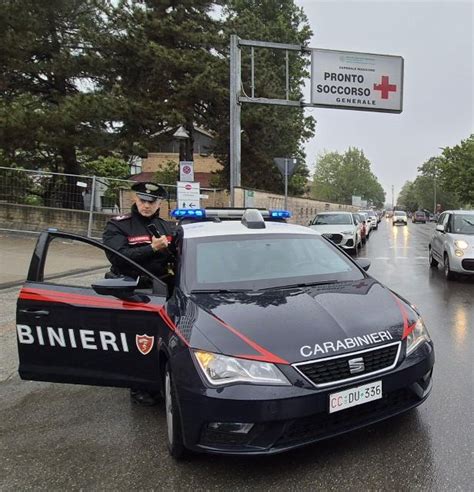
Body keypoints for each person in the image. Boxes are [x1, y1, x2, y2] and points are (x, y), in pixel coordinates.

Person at [103, 181, 175, 406]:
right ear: (135, 199)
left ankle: (160, 382)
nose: (146, 205)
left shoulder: (166, 227)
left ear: (159, 203)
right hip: (133, 292)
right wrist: (152, 248)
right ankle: (139, 386)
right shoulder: (119, 226)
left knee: (161, 340)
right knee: (138, 341)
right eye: (142, 200)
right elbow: (117, 257)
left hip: (161, 289)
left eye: (151, 202)